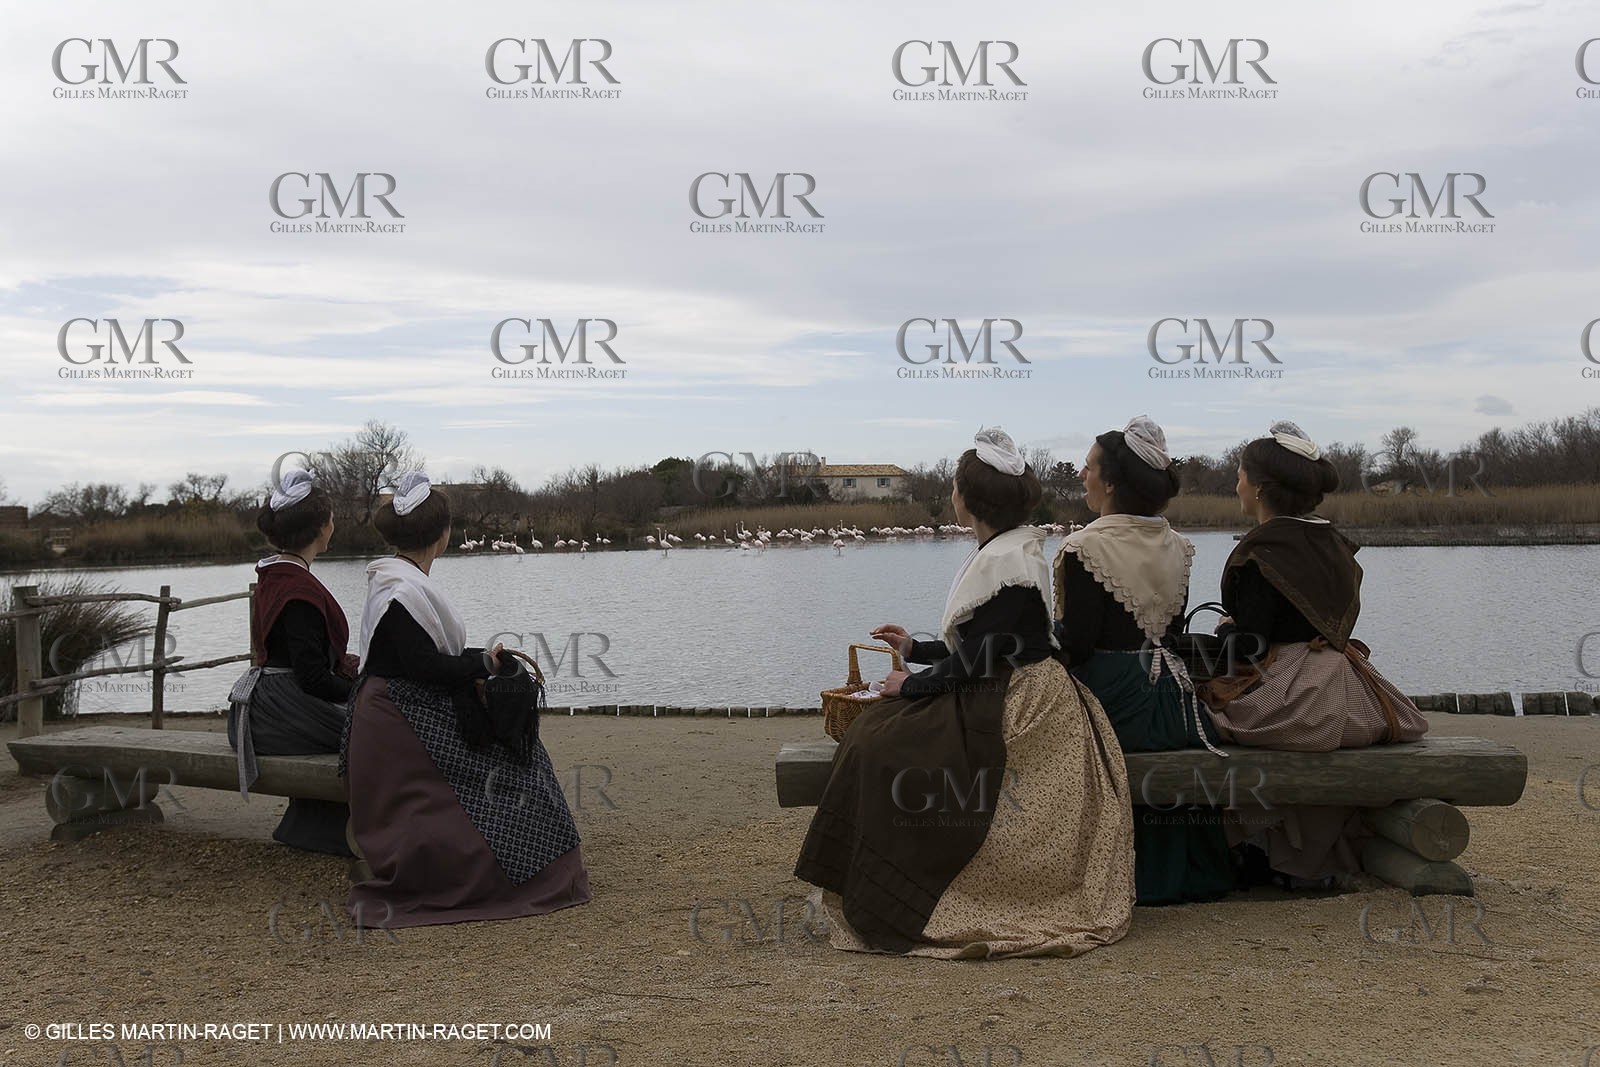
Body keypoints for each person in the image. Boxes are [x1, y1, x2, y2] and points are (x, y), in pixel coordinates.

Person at [794, 427, 1134, 959]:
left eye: (955, 484)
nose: (952, 492)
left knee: (880, 744)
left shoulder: (1009, 562)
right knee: (876, 736)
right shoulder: (1004, 550)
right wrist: (915, 649)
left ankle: (902, 891)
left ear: (969, 498)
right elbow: (981, 644)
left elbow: (987, 656)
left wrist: (914, 683)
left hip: (1019, 701)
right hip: (1000, 683)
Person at [342, 472, 590, 928]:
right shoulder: (402, 592)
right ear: (444, 534)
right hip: (401, 722)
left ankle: (530, 865)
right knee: (512, 769)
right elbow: (426, 668)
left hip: (398, 709)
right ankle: (525, 874)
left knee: (520, 758)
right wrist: (483, 666)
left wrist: (479, 661)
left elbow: (422, 662)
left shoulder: (396, 581)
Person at [1200, 421, 1427, 884]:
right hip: (1347, 684)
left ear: (1260, 489)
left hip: (1292, 693)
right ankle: (1305, 857)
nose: (1236, 483)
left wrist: (1225, 631)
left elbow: (1253, 647)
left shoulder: (1260, 552)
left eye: (1240, 475)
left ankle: (1256, 851)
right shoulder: (1334, 543)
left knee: (1209, 718)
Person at [1054, 416, 1235, 906]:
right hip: (1173, 697)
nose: (1082, 475)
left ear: (1110, 482)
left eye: (1089, 467)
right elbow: (1170, 635)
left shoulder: (1083, 547)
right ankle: (1183, 869)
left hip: (1110, 695)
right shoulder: (1179, 545)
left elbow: (1077, 646)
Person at [229, 467, 357, 856]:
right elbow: (313, 678)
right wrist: (365, 691)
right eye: (331, 517)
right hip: (276, 708)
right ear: (321, 528)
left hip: (260, 700)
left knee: (370, 715)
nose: (334, 524)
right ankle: (338, 828)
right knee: (383, 727)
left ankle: (314, 824)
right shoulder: (296, 589)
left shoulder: (276, 575)